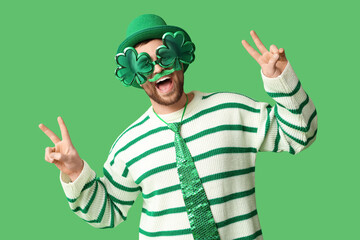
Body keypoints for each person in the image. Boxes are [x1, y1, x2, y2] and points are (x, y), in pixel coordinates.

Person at [39, 14, 317, 240]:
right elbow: (107, 213)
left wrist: (281, 79)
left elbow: (300, 135)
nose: (158, 68)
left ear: (181, 59)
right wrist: (75, 173)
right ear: (135, 77)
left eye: (165, 57)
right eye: (145, 65)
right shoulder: (128, 145)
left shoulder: (232, 110)